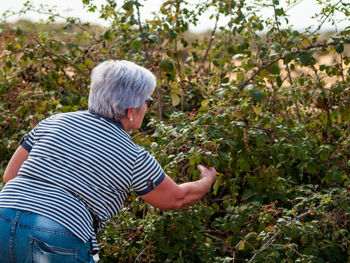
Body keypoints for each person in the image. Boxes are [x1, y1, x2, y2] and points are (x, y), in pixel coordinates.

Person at [0, 60, 217, 263]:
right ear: (131, 111)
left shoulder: (55, 122)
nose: (148, 108)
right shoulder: (133, 155)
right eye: (148, 102)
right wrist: (206, 181)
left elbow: (10, 176)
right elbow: (176, 198)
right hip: (57, 233)